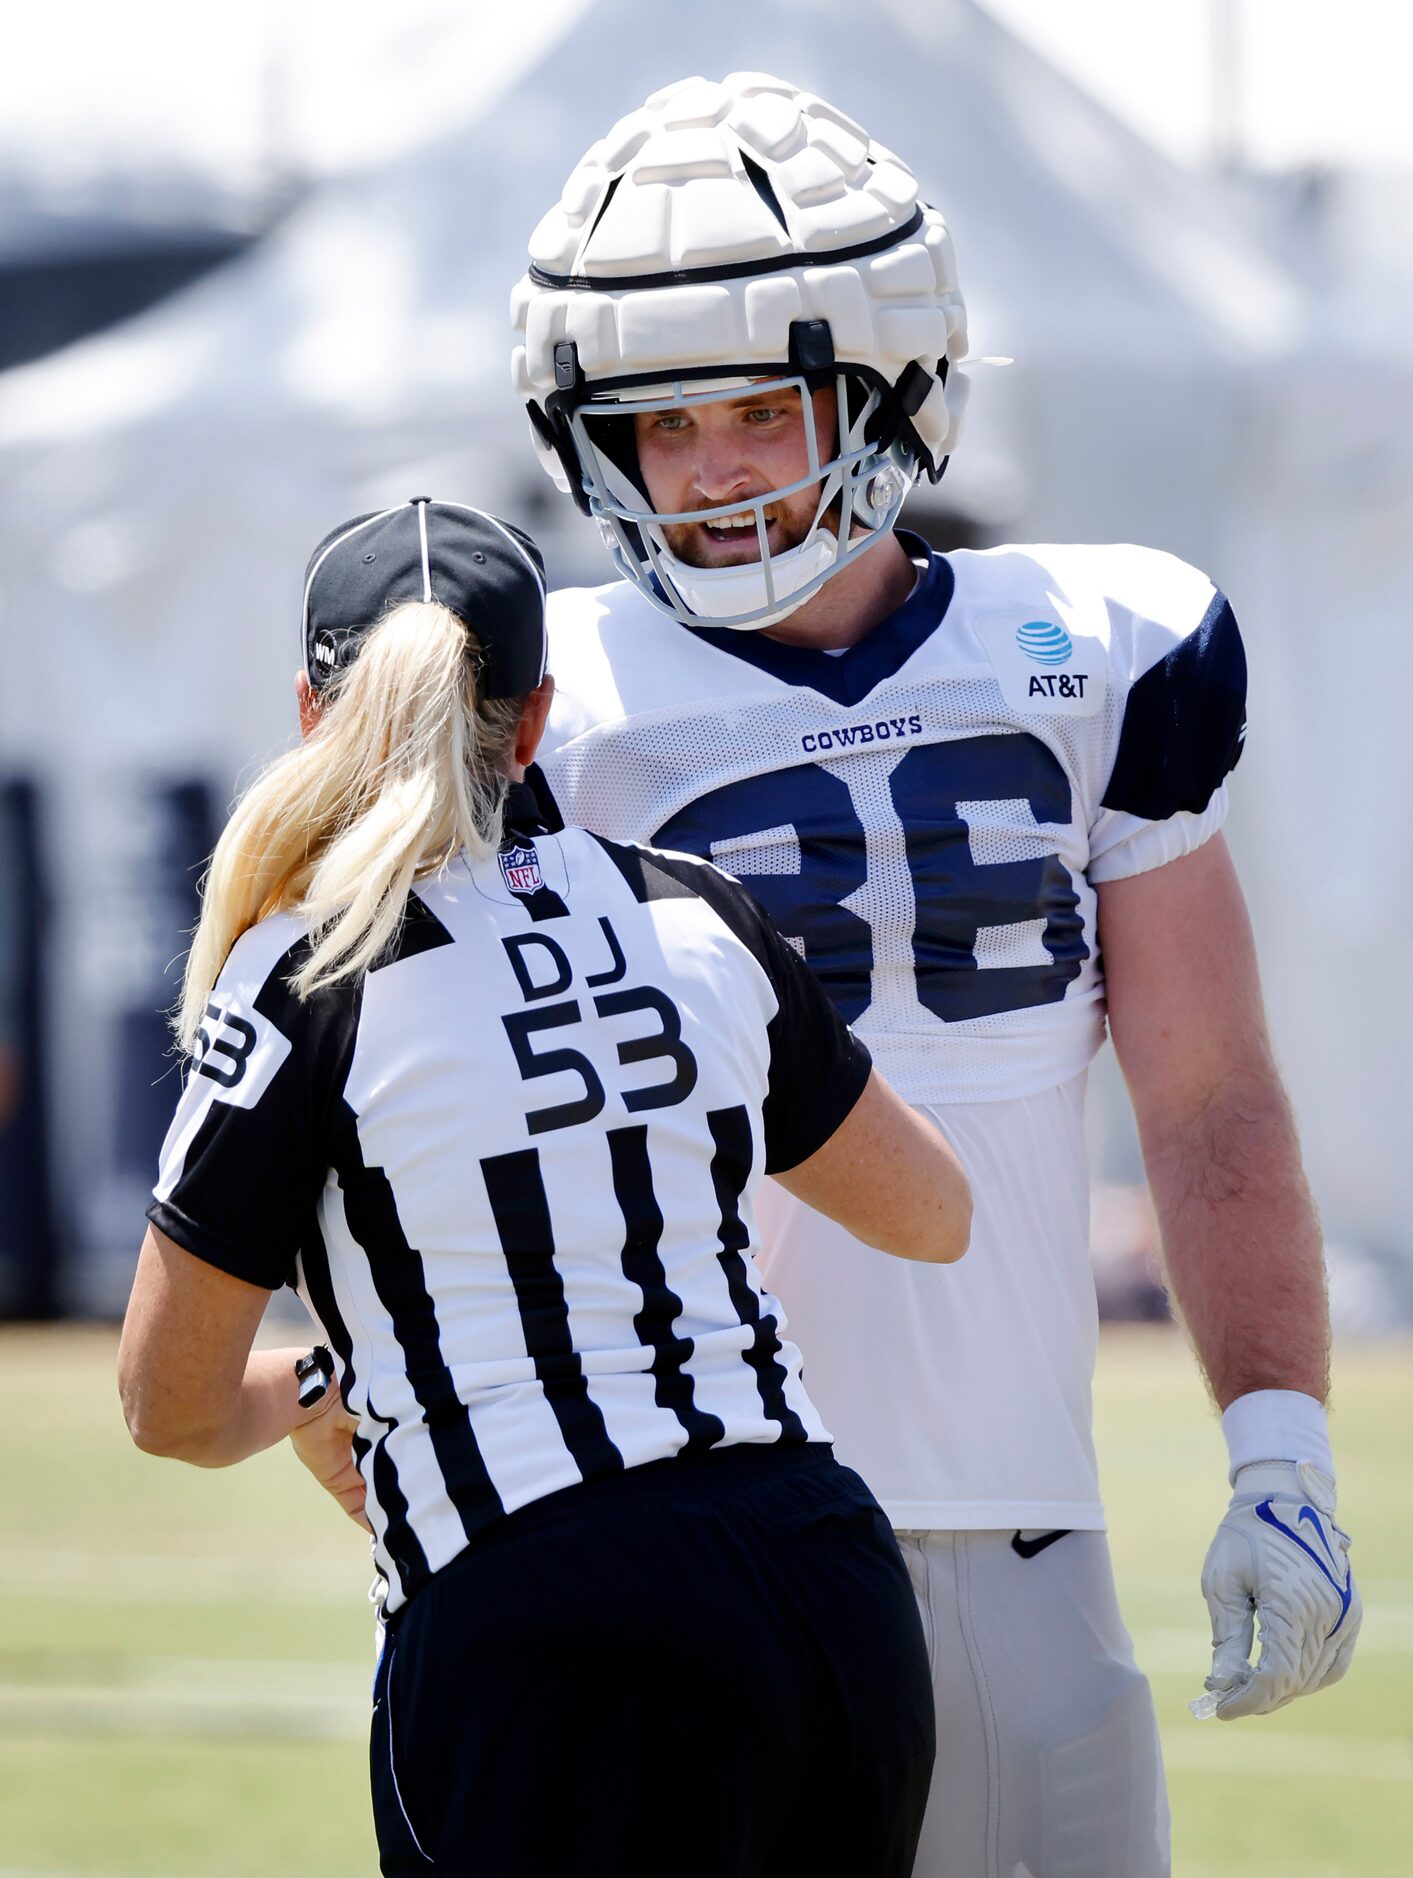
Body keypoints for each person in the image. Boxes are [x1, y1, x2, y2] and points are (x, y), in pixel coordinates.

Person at [510, 73, 1362, 1877]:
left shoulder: (1096, 646)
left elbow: (1205, 1091)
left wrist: (1277, 1443)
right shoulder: (535, 705)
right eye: (663, 425)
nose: (717, 466)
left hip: (1009, 1522)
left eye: (759, 404)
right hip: (661, 1517)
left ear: (895, 390)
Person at [118, 498, 973, 1877]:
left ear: (308, 710)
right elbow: (934, 1213)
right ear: (532, 724)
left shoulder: (299, 975)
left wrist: (340, 1384)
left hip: (545, 1615)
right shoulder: (699, 907)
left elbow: (166, 1403)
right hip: (821, 1575)